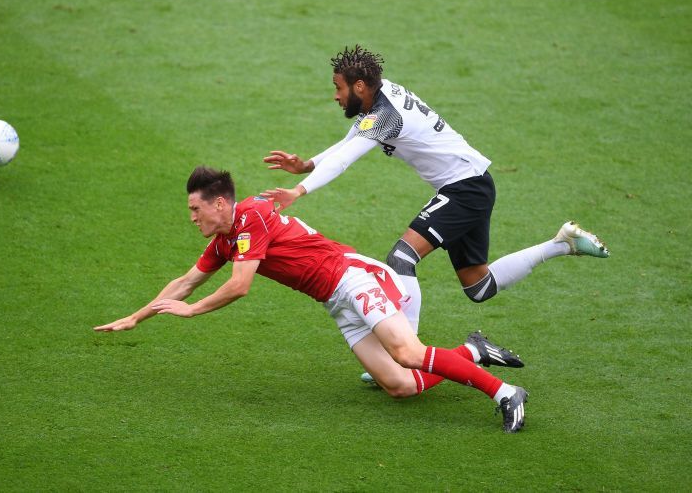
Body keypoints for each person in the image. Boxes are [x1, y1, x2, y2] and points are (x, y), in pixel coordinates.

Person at [94, 166, 529, 433]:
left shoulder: (252, 217)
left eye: (195, 210)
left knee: (408, 353)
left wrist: (192, 311)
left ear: (220, 203)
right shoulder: (226, 241)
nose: (192, 218)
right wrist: (137, 316)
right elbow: (185, 282)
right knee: (398, 385)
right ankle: (474, 350)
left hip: (353, 279)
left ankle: (506, 393)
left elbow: (239, 285)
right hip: (335, 301)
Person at [262, 45, 609, 346]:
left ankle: (405, 352)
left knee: (402, 257)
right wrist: (306, 165)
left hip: (466, 188)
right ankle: (563, 243)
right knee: (479, 287)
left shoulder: (386, 114)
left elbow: (345, 158)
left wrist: (299, 190)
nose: (336, 96)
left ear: (359, 86)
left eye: (338, 88)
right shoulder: (382, 98)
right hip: (470, 184)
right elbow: (351, 139)